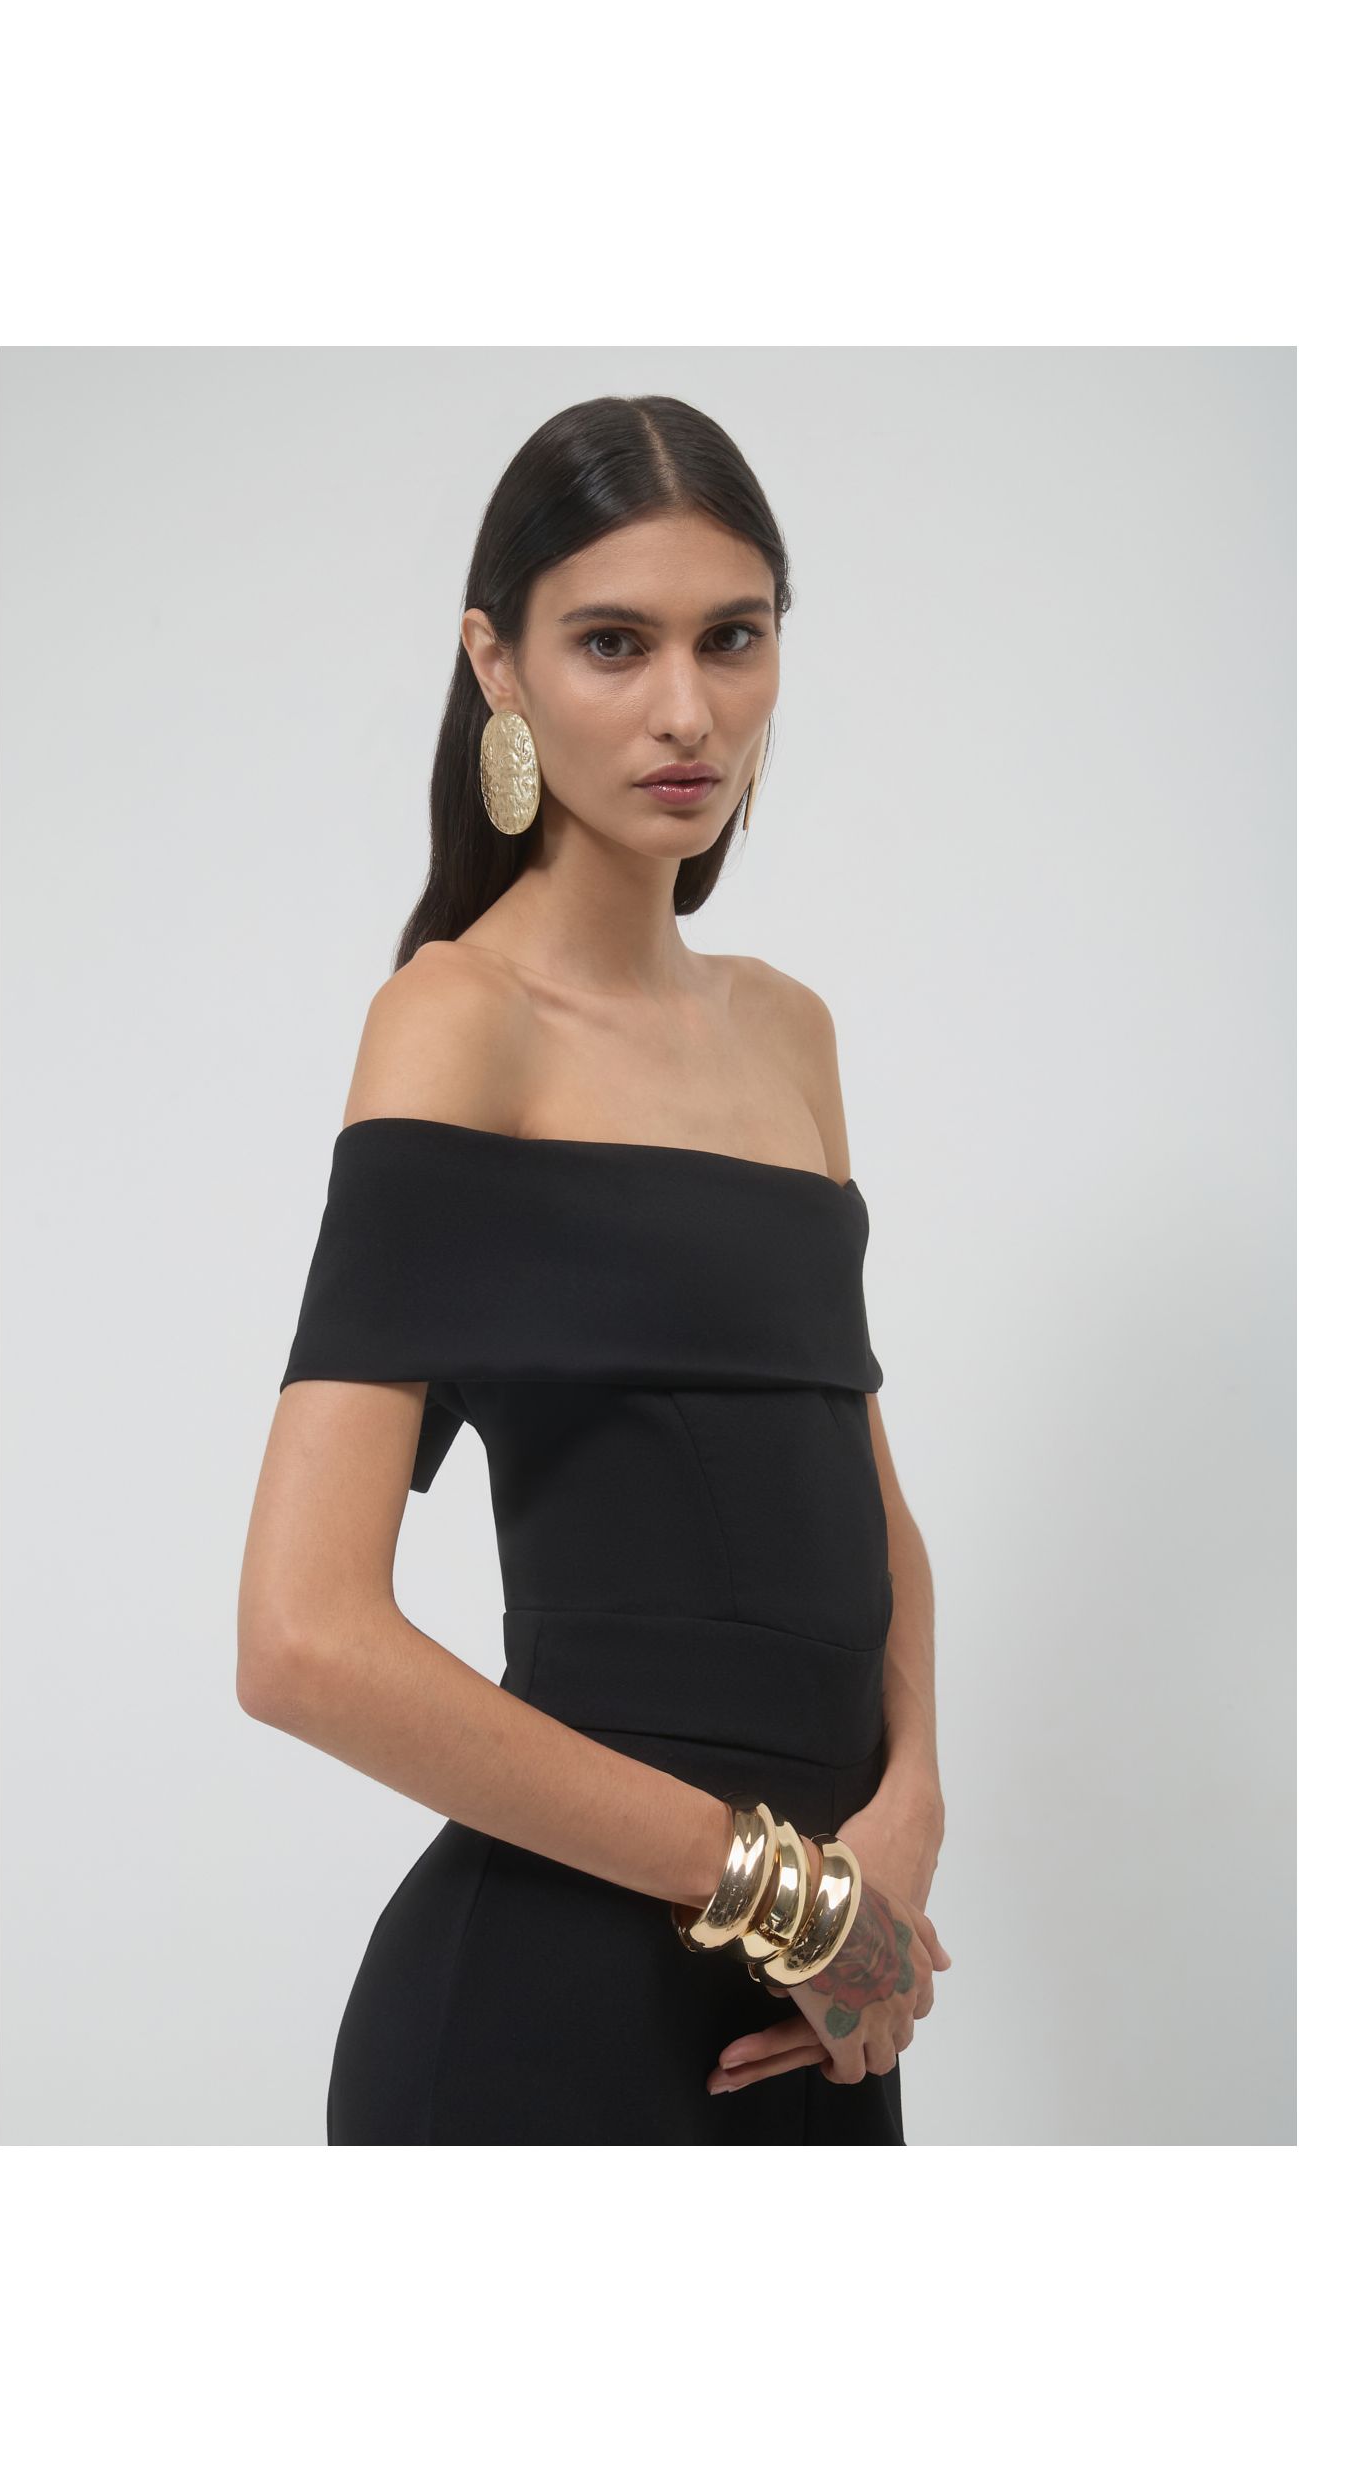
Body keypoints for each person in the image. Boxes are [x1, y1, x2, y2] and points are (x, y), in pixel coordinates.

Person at [237, 393, 951, 2144]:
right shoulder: (455, 1025)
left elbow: (865, 1497)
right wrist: (779, 1888)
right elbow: (302, 1638)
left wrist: (906, 1821)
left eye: (733, 639)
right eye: (614, 644)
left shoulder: (789, 1032)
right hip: (544, 2015)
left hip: (825, 2006)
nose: (686, 709)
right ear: (498, 662)